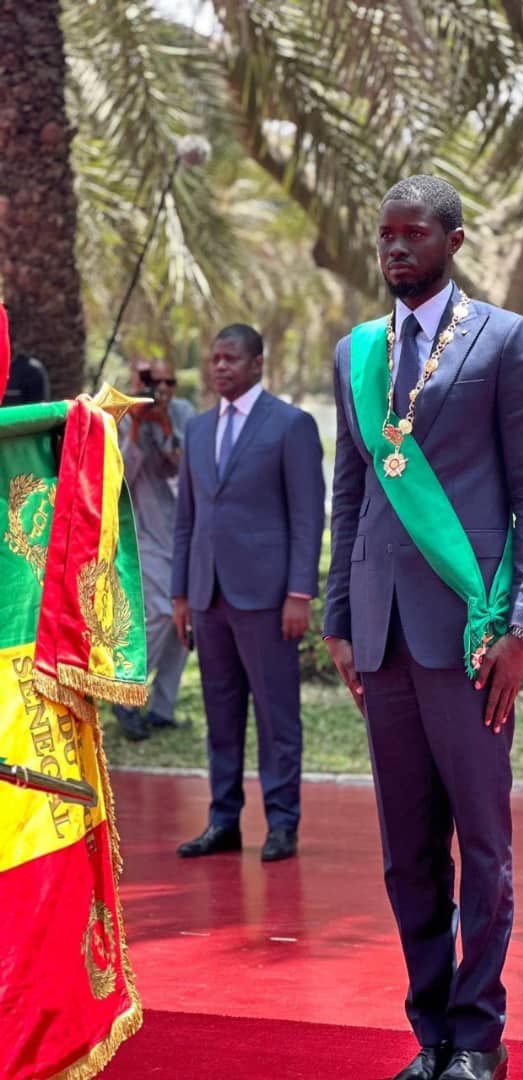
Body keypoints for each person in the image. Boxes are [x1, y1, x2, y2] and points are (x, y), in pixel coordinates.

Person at [323, 176, 523, 1080]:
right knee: (407, 852)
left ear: (454, 240)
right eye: (383, 236)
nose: (394, 250)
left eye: (412, 234)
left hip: (471, 632)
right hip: (381, 633)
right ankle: (430, 1034)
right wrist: (341, 617)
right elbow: (353, 491)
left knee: (484, 848)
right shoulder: (356, 351)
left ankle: (480, 1036)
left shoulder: (506, 341)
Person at [171, 324, 324, 863]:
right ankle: (223, 821)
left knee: (278, 716)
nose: (219, 367)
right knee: (221, 714)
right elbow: (187, 517)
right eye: (213, 358)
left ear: (258, 363)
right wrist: (180, 595)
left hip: (268, 600)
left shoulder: (290, 426)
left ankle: (282, 823)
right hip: (208, 596)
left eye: (231, 358)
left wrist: (300, 594)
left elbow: (308, 517)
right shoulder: (197, 430)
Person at [113, 359, 195, 741]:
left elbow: (184, 469)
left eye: (168, 381)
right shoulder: (122, 419)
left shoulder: (183, 414)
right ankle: (125, 695)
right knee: (161, 612)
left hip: (187, 533)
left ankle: (162, 707)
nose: (160, 389)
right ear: (134, 381)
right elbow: (120, 480)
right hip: (145, 533)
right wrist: (136, 430)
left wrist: (164, 428)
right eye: (150, 381)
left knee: (185, 622)